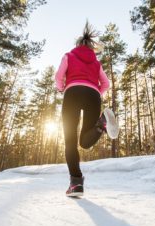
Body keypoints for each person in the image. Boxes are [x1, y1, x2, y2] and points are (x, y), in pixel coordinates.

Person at [55, 22, 119, 197]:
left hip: (72, 93)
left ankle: (76, 183)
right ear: (91, 47)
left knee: (70, 141)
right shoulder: (96, 63)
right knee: (85, 142)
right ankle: (102, 123)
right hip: (93, 95)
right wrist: (97, 92)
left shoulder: (69, 56)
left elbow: (58, 77)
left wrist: (62, 88)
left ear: (77, 45)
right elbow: (105, 83)